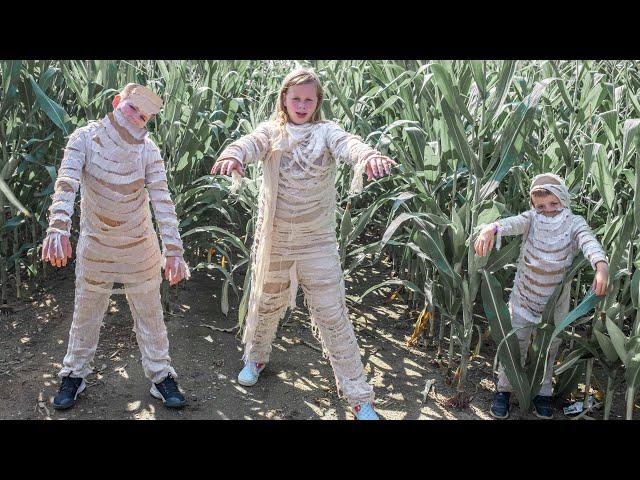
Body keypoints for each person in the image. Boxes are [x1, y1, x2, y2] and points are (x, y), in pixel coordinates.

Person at [211, 67, 396, 420]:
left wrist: (368, 156)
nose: (301, 104)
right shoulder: (272, 132)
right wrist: (234, 154)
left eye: (308, 99)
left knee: (333, 316)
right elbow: (250, 143)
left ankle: (359, 397)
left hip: (317, 241)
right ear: (283, 98)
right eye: (295, 98)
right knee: (264, 304)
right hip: (276, 239)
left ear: (317, 102)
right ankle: (256, 357)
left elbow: (349, 144)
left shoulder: (326, 132)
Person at [43, 83, 189, 410]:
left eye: (145, 117)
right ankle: (74, 374)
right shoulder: (85, 138)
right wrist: (58, 226)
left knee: (150, 313)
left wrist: (174, 250)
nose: (137, 118)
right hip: (97, 246)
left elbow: (162, 200)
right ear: (116, 102)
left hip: (140, 246)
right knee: (86, 310)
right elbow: (66, 182)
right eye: (133, 109)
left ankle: (161, 375)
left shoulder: (148, 150)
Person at [474, 172, 609, 419]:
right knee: (515, 345)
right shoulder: (532, 219)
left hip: (554, 305)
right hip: (524, 298)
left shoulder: (573, 222)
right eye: (541, 205)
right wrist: (490, 229)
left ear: (564, 200)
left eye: (554, 204)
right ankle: (504, 389)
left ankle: (542, 392)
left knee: (548, 348)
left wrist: (600, 265)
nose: (548, 210)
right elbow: (511, 223)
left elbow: (588, 241)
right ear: (534, 205)